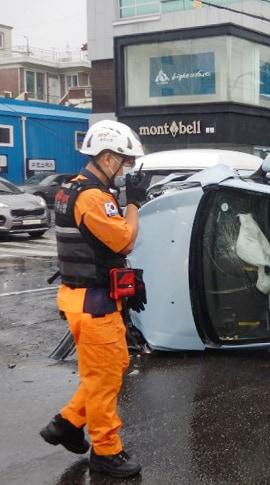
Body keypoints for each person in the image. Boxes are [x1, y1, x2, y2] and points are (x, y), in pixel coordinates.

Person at [40, 120, 151, 478]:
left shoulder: (73, 189)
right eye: (125, 160)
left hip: (87, 297)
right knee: (104, 379)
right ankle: (106, 452)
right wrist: (134, 203)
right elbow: (124, 241)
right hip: (92, 302)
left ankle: (68, 423)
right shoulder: (91, 197)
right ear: (106, 157)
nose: (128, 168)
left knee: (113, 366)